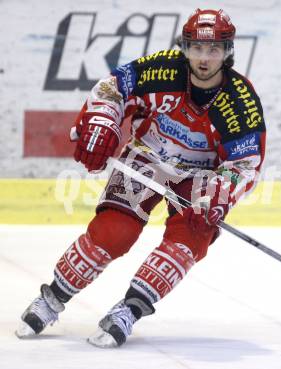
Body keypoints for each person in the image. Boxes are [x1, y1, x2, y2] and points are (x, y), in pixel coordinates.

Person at [16, 8, 266, 348]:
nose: (204, 58)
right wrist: (103, 120)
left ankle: (129, 310)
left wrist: (219, 196)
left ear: (227, 51)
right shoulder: (161, 68)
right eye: (196, 48)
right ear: (185, 47)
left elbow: (245, 164)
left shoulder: (241, 102)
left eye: (214, 50)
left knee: (192, 234)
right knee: (114, 231)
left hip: (201, 174)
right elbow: (112, 88)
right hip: (147, 157)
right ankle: (52, 299)